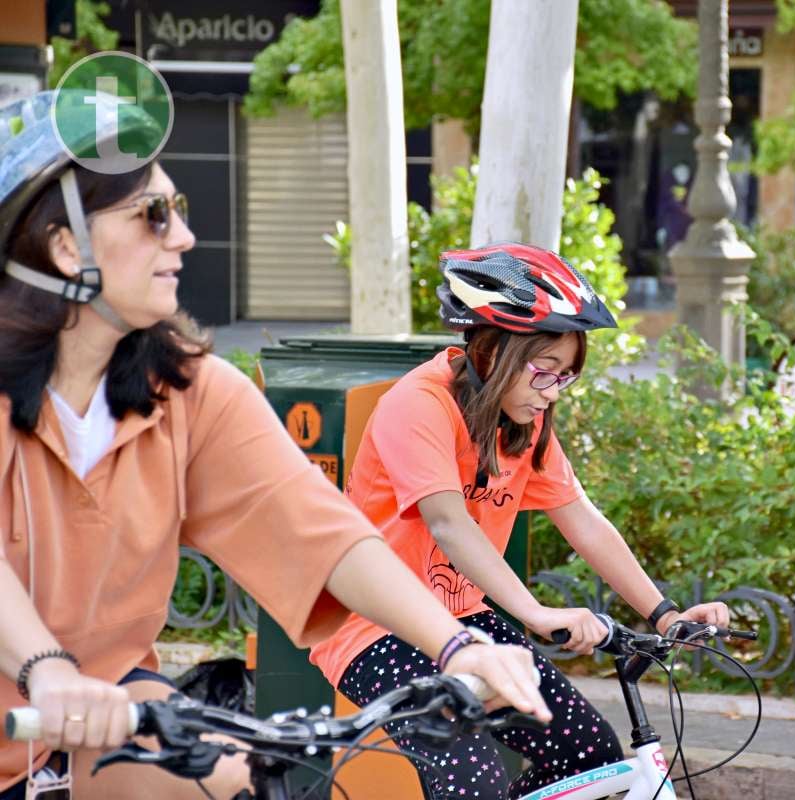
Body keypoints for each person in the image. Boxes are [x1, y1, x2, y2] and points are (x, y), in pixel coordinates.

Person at [0, 91, 549, 800]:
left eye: (182, 212)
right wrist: (47, 671)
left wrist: (458, 646)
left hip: (105, 715)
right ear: (66, 243)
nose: (184, 239)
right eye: (153, 216)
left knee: (240, 780)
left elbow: (324, 533)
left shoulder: (191, 392)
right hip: (42, 706)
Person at [310, 242, 730, 799]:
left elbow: (580, 517)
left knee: (588, 755)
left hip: (462, 621)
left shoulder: (524, 424)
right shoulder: (418, 404)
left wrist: (664, 614)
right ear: (491, 351)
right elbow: (448, 524)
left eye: (566, 377)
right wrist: (533, 611)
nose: (552, 390)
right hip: (374, 628)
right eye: (543, 370)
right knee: (472, 776)